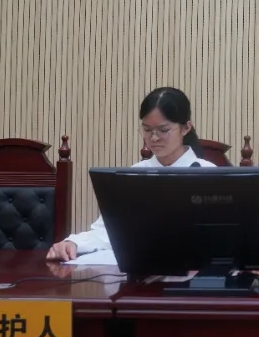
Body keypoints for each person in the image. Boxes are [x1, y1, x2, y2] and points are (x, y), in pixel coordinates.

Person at [45, 87, 216, 261]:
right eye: (147, 130)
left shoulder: (209, 175)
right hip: (139, 270)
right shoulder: (134, 174)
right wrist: (74, 243)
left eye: (163, 130)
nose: (154, 138)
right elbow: (108, 230)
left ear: (185, 128)